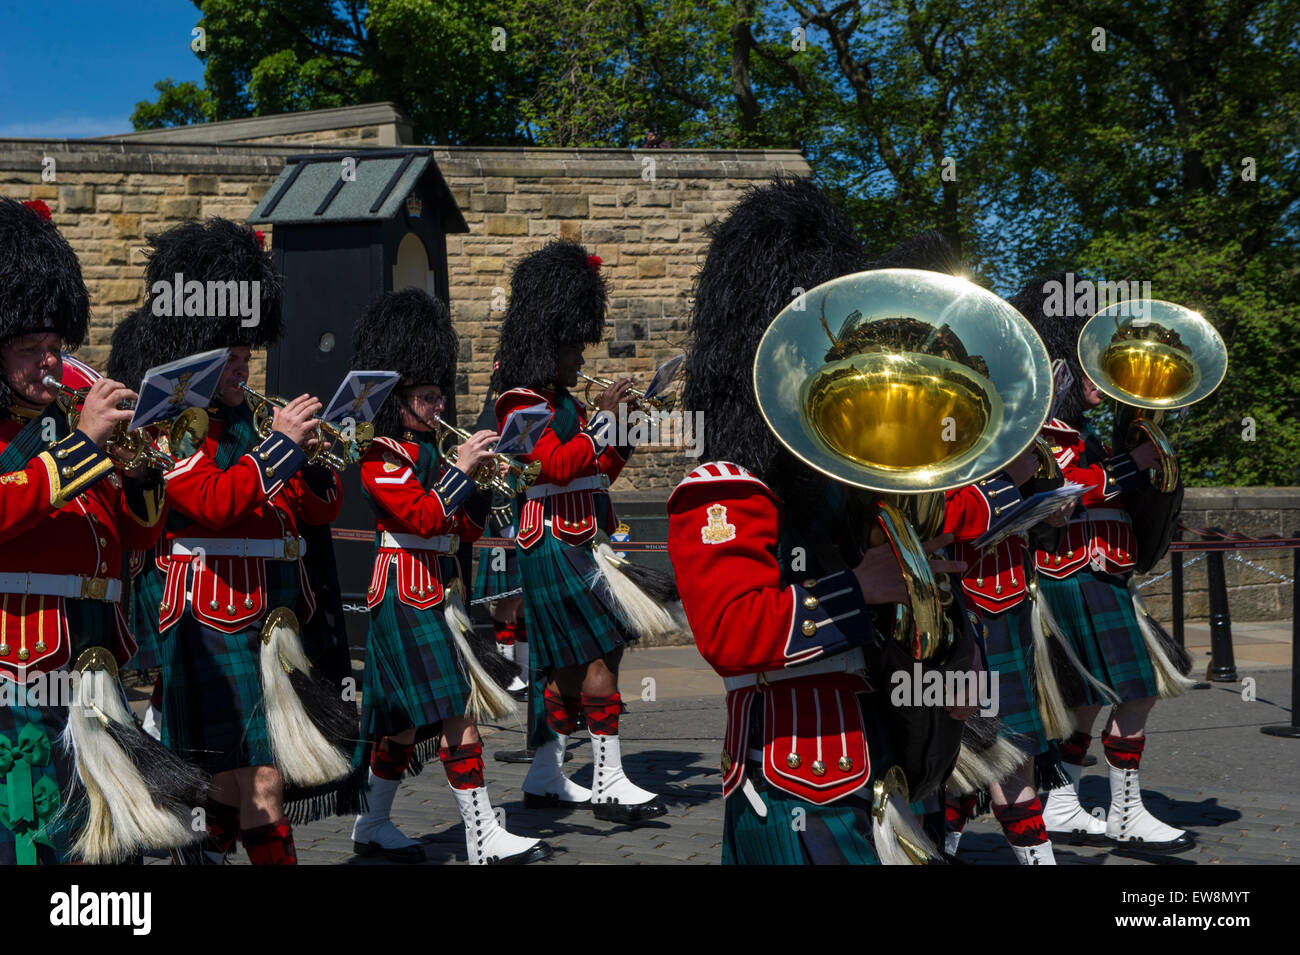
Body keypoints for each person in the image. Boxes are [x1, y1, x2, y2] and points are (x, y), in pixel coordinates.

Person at [665, 178, 972, 864]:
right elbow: (730, 632)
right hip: (794, 769)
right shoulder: (722, 489)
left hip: (880, 747)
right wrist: (859, 586)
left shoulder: (838, 481)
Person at [143, 218, 350, 865]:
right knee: (254, 779)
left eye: (245, 354)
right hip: (206, 616)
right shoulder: (175, 425)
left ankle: (202, 851)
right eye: (229, 357)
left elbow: (311, 509)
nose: (242, 367)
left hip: (264, 614)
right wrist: (281, 449)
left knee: (244, 781)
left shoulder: (255, 420)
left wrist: (309, 460)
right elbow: (212, 502)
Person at [0, 197, 177, 864]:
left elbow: (132, 544)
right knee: (33, 834)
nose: (49, 363)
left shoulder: (75, 425)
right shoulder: (56, 436)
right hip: (20, 664)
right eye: (28, 349)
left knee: (106, 845)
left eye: (54, 347)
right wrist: (81, 447)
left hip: (94, 661)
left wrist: (139, 475)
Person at [347, 288, 550, 865]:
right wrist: (462, 472)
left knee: (405, 726)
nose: (437, 407)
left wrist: (488, 481)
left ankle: (372, 822)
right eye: (425, 397)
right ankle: (482, 835)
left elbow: (456, 527)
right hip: (404, 589)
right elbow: (423, 515)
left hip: (436, 586)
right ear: (398, 398)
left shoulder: (432, 450)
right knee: (458, 710)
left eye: (439, 395)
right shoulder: (379, 454)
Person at [1010, 274, 1194, 853]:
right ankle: (1125, 810)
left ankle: (1063, 799)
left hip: (1103, 572)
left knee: (1086, 695)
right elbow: (1059, 490)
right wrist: (1133, 465)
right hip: (1071, 573)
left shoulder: (1090, 433)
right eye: (1084, 370)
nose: (1097, 381)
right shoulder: (1044, 433)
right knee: (1137, 684)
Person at [492, 240, 666, 824]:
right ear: (545, 343)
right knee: (602, 652)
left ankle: (544, 774)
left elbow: (595, 474)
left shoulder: (564, 399)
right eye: (569, 346)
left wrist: (623, 434)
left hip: (581, 537)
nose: (578, 356)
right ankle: (609, 778)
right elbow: (554, 465)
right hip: (549, 542)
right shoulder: (517, 399)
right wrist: (601, 422)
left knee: (565, 667)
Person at [940, 451, 1073, 865]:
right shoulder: (935, 450)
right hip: (962, 614)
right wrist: (1008, 482)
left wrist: (1047, 507)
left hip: (1011, 611)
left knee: (1013, 753)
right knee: (958, 758)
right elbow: (943, 517)